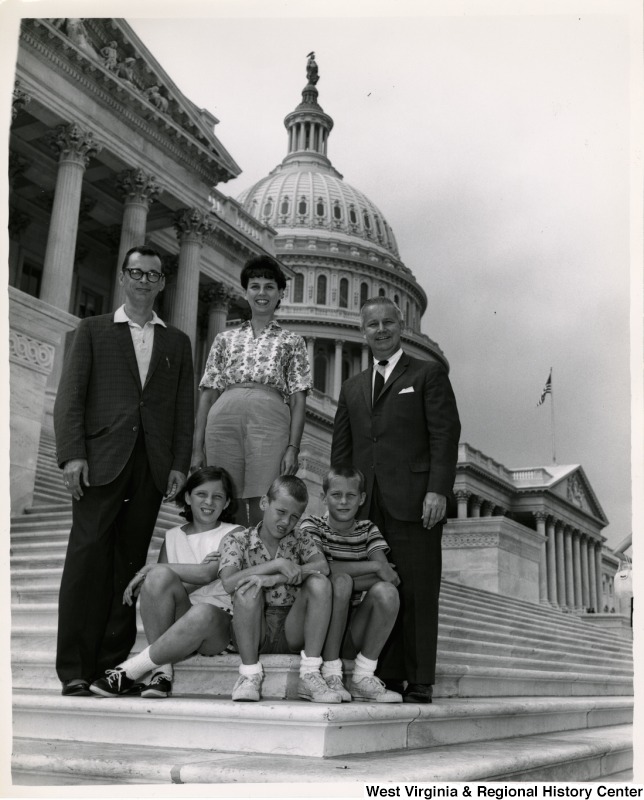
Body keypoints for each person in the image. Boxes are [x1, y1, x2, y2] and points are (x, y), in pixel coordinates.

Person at [54, 245, 194, 697]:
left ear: (162, 283)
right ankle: (75, 666)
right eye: (137, 273)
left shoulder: (176, 341)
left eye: (153, 275)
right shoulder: (92, 330)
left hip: (150, 466)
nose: (144, 281)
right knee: (86, 560)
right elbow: (70, 397)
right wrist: (72, 454)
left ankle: (112, 668)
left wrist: (178, 464)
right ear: (123, 277)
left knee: (129, 567)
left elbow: (183, 411)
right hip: (100, 462)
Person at [331, 297, 460, 704]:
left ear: (401, 326)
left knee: (419, 590)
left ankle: (420, 677)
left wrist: (437, 489)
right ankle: (385, 673)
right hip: (368, 509)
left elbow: (444, 435)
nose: (381, 330)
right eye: (373, 324)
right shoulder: (352, 387)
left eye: (388, 322)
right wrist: (342, 502)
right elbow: (343, 450)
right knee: (378, 589)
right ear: (362, 331)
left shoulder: (427, 374)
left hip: (416, 501)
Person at [89, 467, 244, 698]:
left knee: (196, 606)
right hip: (181, 619)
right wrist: (177, 572)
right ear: (188, 497)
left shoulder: (235, 533)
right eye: (201, 494)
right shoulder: (172, 536)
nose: (209, 501)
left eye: (218, 496)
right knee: (159, 577)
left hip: (218, 627)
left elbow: (207, 574)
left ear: (227, 502)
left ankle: (130, 670)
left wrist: (172, 570)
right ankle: (162, 673)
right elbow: (165, 585)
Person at [192, 255, 311, 526]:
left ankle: (261, 565)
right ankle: (225, 565)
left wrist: (293, 447)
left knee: (264, 499)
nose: (262, 293)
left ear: (281, 293)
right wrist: (197, 447)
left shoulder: (292, 341)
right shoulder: (225, 338)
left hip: (269, 419)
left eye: (269, 286)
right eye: (255, 286)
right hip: (223, 418)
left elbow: (298, 399)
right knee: (224, 495)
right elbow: (208, 393)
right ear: (245, 292)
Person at [218, 475, 341, 703]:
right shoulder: (237, 540)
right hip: (255, 625)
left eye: (294, 517)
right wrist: (276, 564)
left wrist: (275, 578)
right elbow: (228, 582)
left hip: (291, 626)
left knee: (319, 582)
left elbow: (322, 567)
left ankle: (310, 672)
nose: (286, 521)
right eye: (281, 512)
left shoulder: (301, 538)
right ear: (265, 503)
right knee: (247, 587)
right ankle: (249, 676)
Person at [299, 465, 403, 703]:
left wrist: (370, 572)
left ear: (362, 499)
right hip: (316, 626)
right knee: (341, 581)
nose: (343, 502)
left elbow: (388, 576)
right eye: (336, 495)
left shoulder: (368, 530)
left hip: (351, 627)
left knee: (386, 592)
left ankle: (363, 676)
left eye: (351, 495)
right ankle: (330, 673)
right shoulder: (311, 525)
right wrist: (374, 567)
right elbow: (320, 569)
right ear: (323, 497)